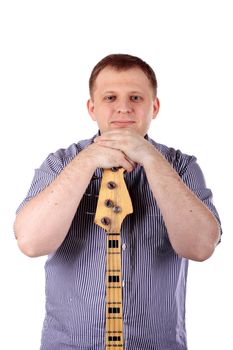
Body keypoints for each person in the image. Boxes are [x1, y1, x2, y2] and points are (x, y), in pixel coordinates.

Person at [14, 54, 222, 350]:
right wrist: (86, 162)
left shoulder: (182, 166)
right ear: (92, 108)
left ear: (155, 107)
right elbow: (31, 243)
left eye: (136, 97)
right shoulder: (60, 163)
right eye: (110, 97)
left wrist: (150, 158)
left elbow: (200, 247)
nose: (123, 107)